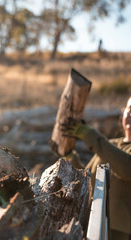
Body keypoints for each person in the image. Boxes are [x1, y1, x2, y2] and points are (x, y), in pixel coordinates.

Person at [61, 97, 131, 239]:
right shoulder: (109, 145)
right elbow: (88, 178)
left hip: (120, 231)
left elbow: (127, 168)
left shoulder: (104, 146)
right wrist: (70, 158)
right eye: (130, 109)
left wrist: (89, 134)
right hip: (92, 225)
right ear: (123, 112)